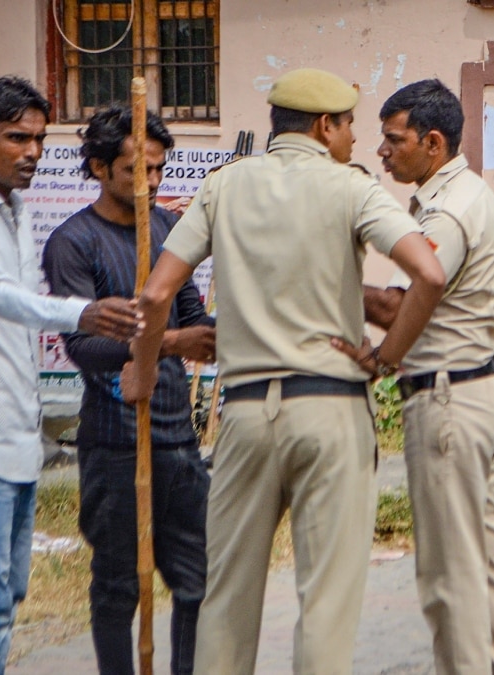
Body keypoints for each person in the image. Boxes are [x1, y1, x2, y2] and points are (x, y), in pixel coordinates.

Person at [121, 68, 447, 675]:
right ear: (326, 127)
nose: (355, 140)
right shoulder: (350, 187)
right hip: (330, 411)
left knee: (226, 599)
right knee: (325, 602)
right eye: (349, 125)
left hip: (244, 416)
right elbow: (428, 274)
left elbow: (158, 289)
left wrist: (143, 369)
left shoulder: (225, 186)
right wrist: (386, 358)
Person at [0, 76, 141, 675]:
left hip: (21, 435)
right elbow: (1, 295)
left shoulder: (15, 212)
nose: (32, 153)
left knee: (9, 594)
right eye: (16, 138)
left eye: (39, 139)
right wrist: (82, 310)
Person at [338, 78, 494, 675]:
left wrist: (379, 356)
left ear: (433, 141)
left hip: (450, 400)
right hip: (479, 389)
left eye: (393, 140)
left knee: (449, 574)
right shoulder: (471, 193)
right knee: (484, 562)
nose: (382, 152)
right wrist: (470, 342)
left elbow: (410, 298)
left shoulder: (448, 209)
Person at [42, 106, 214, 675]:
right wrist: (164, 342)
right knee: (117, 586)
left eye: (161, 170)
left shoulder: (168, 230)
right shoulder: (73, 242)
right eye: (137, 171)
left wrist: (188, 337)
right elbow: (85, 350)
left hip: (177, 438)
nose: (153, 183)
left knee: (197, 580)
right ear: (98, 167)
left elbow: (194, 322)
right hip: (114, 442)